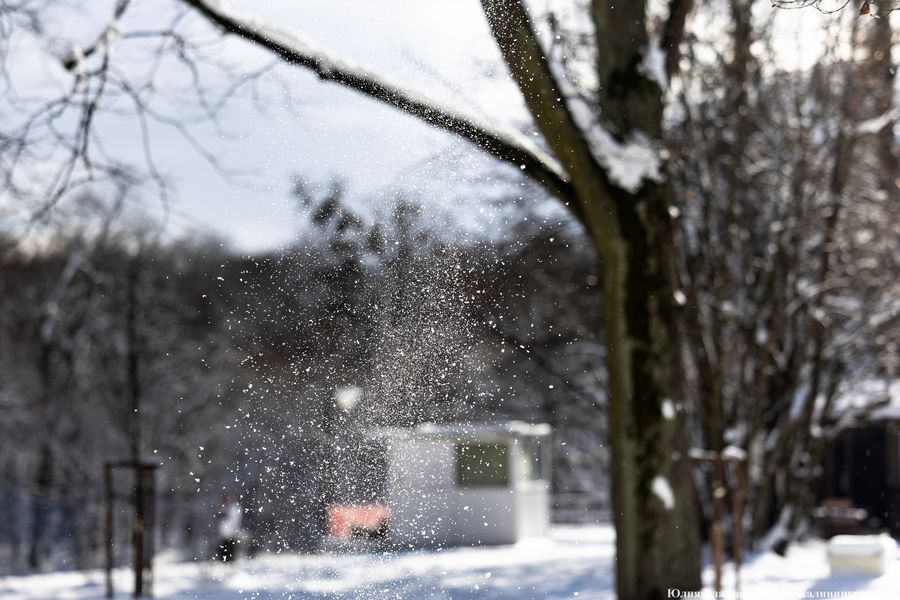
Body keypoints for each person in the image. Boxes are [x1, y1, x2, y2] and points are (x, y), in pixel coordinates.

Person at [216, 494, 242, 562]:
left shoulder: (233, 509)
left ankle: (231, 566)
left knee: (231, 553)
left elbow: (234, 519)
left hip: (231, 535)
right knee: (223, 554)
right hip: (224, 536)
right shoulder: (222, 509)